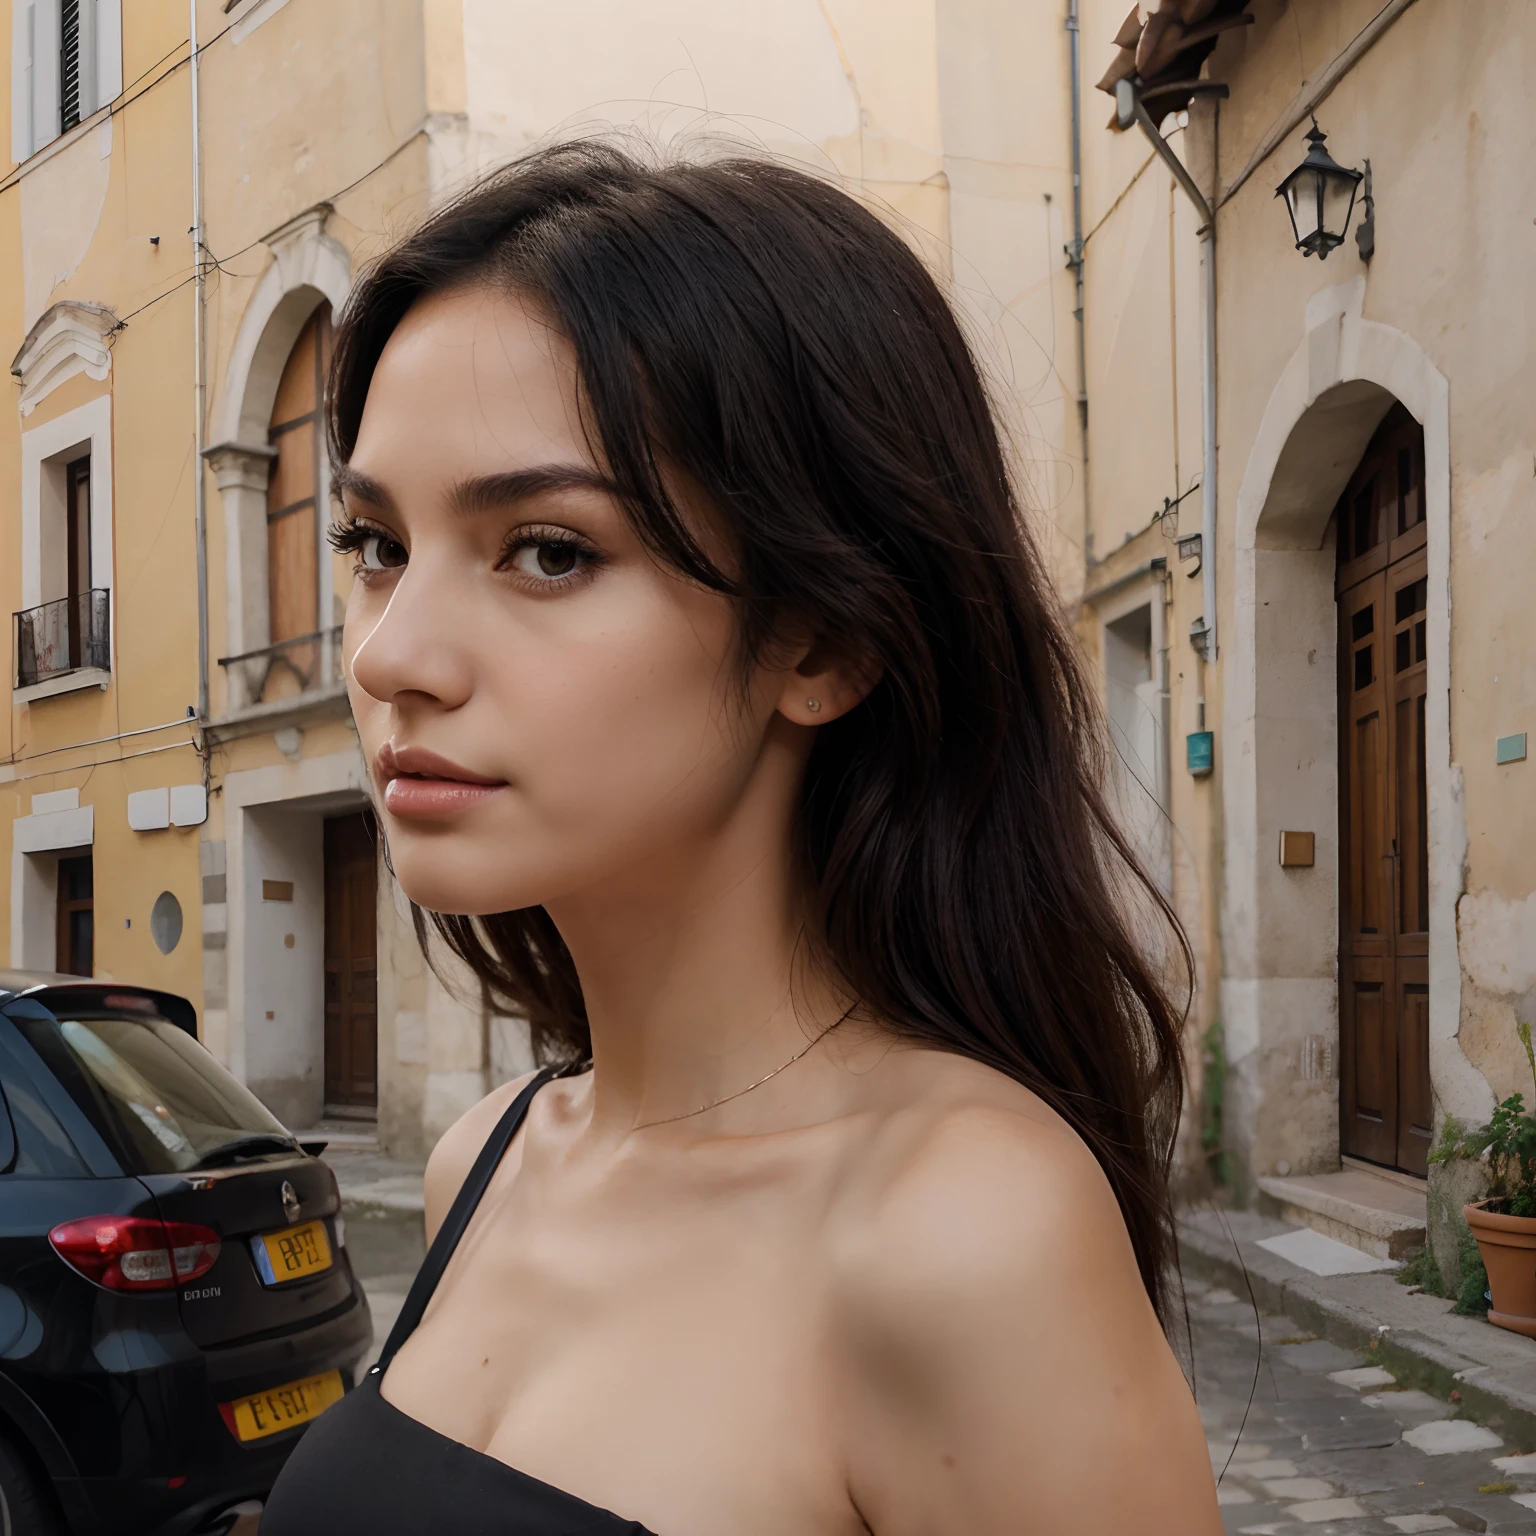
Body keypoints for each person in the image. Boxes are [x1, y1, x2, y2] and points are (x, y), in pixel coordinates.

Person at [262, 139, 1222, 1536]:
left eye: (547, 550)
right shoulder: (488, 1159)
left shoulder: (964, 1237)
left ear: (821, 640)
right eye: (377, 544)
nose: (392, 653)